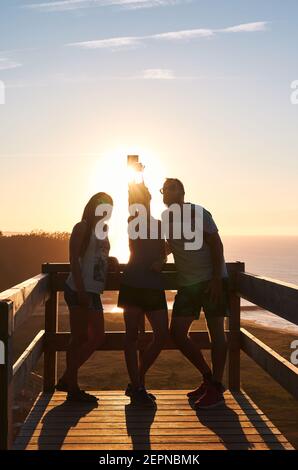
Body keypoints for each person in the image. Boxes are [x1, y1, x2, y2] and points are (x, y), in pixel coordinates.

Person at [161, 178, 229, 409]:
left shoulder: (199, 213)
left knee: (216, 333)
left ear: (181, 192)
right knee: (177, 333)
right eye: (163, 189)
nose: (165, 193)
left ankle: (217, 388)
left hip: (211, 281)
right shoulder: (166, 219)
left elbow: (216, 244)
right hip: (188, 285)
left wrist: (218, 279)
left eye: (170, 188)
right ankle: (208, 377)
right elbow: (170, 246)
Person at [57, 192, 113, 402]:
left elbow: (99, 255)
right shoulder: (82, 227)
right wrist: (80, 290)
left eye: (109, 206)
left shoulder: (103, 230)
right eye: (101, 204)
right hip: (80, 289)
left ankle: (66, 379)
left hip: (94, 290)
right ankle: (73, 389)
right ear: (93, 206)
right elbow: (74, 259)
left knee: (98, 336)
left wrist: (113, 261)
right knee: (78, 338)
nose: (105, 209)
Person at [118, 182, 168, 404]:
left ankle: (136, 382)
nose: (143, 201)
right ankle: (138, 386)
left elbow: (165, 249)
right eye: (139, 198)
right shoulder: (133, 220)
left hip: (153, 285)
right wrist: (136, 175)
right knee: (132, 337)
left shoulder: (159, 224)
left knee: (161, 334)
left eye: (146, 197)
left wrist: (162, 259)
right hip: (133, 283)